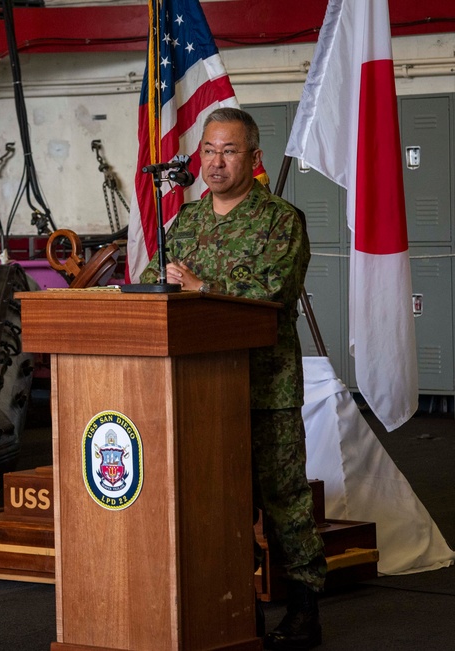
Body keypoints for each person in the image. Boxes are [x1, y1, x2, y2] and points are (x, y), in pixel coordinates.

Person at [140, 107, 326, 650]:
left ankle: (305, 610)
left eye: (229, 151)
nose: (215, 163)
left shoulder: (281, 221)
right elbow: (153, 287)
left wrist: (200, 287)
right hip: (198, 394)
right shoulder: (187, 221)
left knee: (283, 498)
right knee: (218, 502)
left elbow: (273, 295)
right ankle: (233, 608)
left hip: (262, 388)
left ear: (254, 157)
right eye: (209, 151)